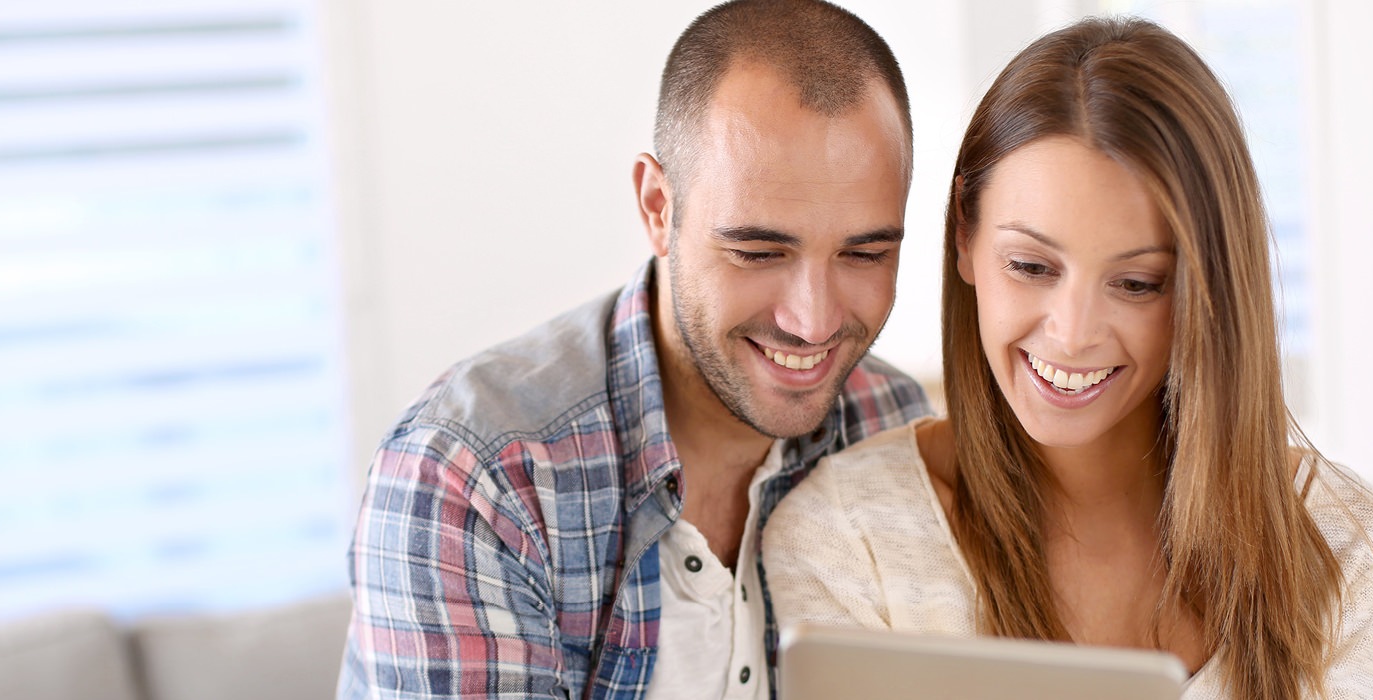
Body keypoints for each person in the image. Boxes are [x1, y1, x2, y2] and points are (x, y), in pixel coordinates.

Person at [762, 16, 1373, 700]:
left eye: (1136, 284)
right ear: (964, 235)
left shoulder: (1345, 545)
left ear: (1209, 289)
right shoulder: (848, 539)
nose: (1072, 334)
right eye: (1032, 266)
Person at [337, 2, 932, 698]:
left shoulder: (890, 423)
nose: (813, 320)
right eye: (759, 251)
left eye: (864, 253)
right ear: (658, 207)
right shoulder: (475, 479)